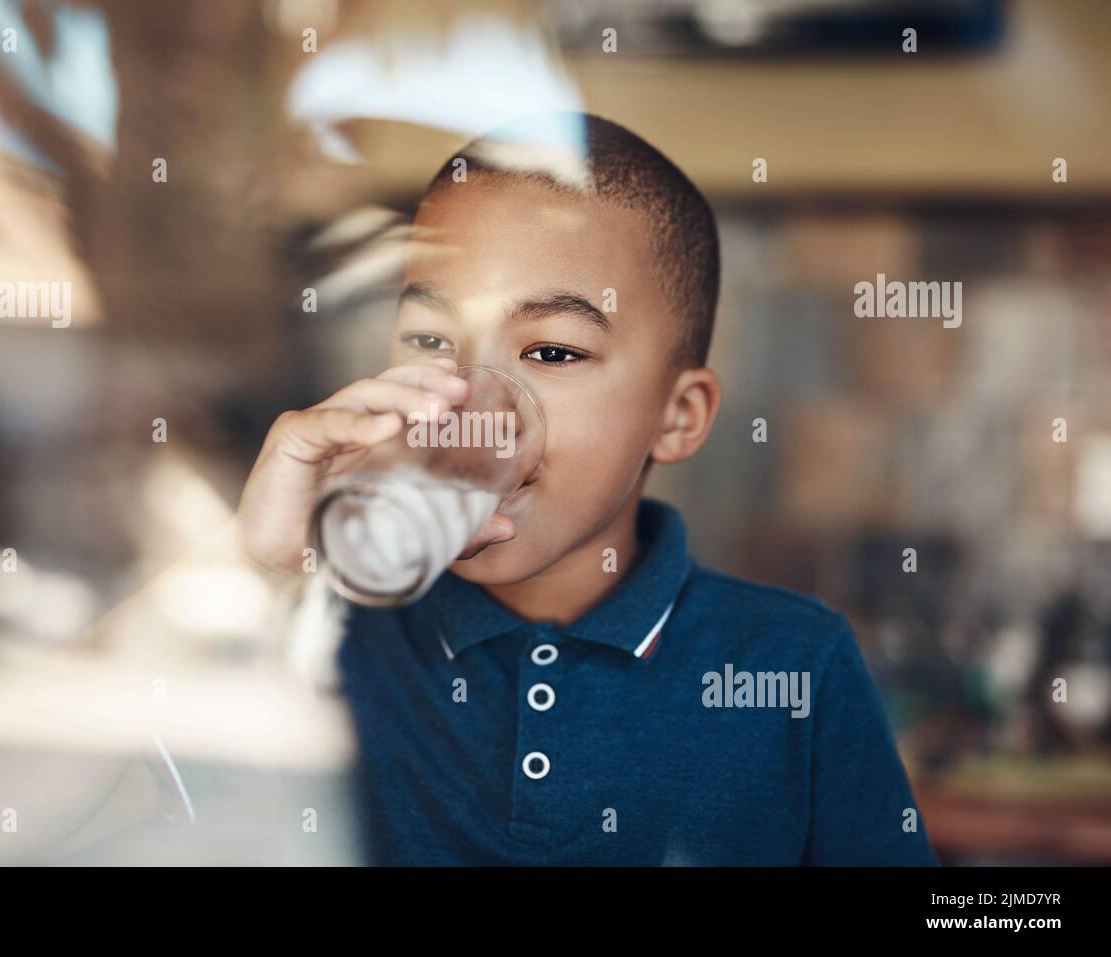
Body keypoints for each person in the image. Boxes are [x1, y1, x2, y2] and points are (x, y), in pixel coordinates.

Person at [237, 112, 939, 865]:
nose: (472, 405)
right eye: (432, 341)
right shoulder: (340, 635)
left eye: (551, 350)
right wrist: (269, 574)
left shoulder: (794, 663)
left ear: (677, 415)